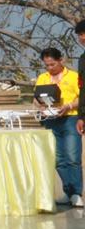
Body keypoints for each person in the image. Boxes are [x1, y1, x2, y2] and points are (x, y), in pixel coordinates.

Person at [34, 46, 82, 207]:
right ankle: (68, 191)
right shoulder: (42, 78)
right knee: (58, 158)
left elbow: (81, 98)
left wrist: (68, 106)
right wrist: (40, 107)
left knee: (72, 157)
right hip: (51, 120)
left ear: (61, 60)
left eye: (52, 64)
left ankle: (76, 193)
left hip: (70, 118)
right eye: (47, 65)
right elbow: (36, 98)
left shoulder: (74, 76)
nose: (50, 68)